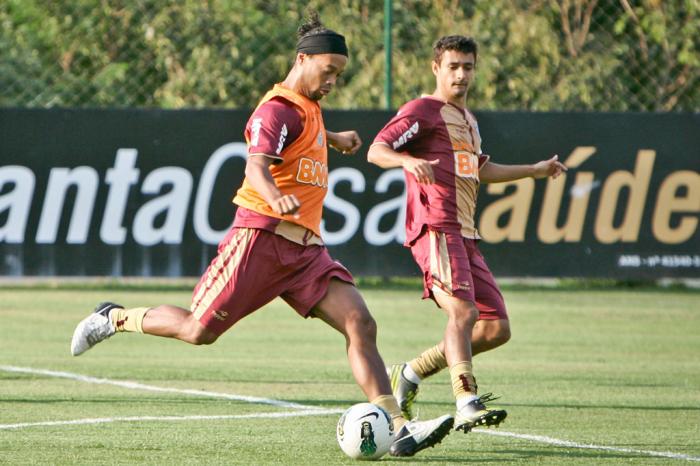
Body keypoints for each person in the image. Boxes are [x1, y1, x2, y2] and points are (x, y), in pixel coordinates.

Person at [70, 15, 454, 458]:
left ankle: (399, 428)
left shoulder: (306, 108)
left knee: (360, 323)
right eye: (327, 70)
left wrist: (333, 137)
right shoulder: (275, 109)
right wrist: (275, 195)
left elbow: (302, 130)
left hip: (306, 252)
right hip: (260, 239)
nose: (333, 80)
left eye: (339, 74)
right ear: (302, 59)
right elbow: (256, 164)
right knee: (198, 330)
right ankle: (113, 317)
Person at [367, 35, 567, 433]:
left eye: (468, 67)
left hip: (466, 234)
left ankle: (408, 374)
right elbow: (376, 150)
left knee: (495, 328)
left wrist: (534, 169)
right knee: (462, 312)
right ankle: (466, 399)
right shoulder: (423, 110)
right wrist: (406, 161)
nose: (461, 74)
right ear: (436, 68)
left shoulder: (468, 120)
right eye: (454, 66)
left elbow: (480, 170)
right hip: (435, 228)